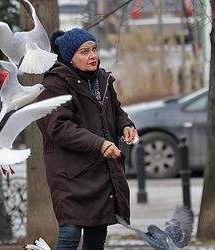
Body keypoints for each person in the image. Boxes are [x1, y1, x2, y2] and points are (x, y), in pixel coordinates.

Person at [36, 28, 138, 250]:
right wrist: (99, 144)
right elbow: (59, 128)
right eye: (84, 52)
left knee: (96, 233)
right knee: (71, 233)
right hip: (69, 174)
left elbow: (115, 110)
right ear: (70, 57)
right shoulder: (53, 85)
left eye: (94, 49)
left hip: (100, 171)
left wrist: (126, 126)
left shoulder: (102, 79)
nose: (93, 55)